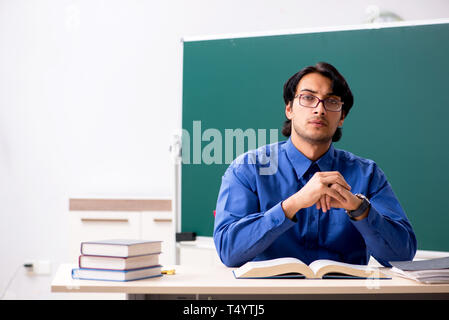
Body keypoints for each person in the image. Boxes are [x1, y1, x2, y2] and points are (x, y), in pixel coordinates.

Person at [213, 62, 417, 267]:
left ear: (342, 117)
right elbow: (229, 252)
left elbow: (402, 257)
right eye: (308, 98)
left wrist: (359, 209)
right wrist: (293, 204)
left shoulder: (367, 174)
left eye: (332, 101)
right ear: (289, 109)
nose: (319, 109)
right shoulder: (248, 169)